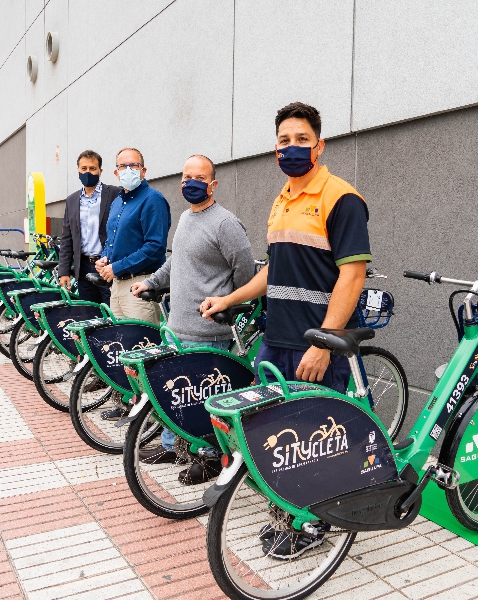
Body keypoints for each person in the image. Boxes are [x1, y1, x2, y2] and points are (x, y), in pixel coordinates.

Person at [201, 102, 370, 557]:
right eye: (283, 140)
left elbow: (352, 275)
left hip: (316, 344)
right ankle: (289, 512)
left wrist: (325, 343)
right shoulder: (282, 200)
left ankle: (316, 525)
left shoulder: (341, 198)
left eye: (301, 140)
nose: (291, 147)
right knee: (279, 438)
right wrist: (230, 299)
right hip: (276, 341)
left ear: (319, 145)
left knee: (317, 440)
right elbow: (273, 270)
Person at [131, 154, 255, 484]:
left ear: (213, 184)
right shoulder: (186, 217)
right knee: (176, 396)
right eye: (187, 177)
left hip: (208, 331)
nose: (191, 183)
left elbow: (245, 270)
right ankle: (173, 447)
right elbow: (176, 262)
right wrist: (152, 282)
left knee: (205, 400)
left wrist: (230, 303)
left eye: (199, 178)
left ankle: (212, 457)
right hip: (177, 326)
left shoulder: (225, 223)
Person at [95, 148, 171, 323]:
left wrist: (117, 267)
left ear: (143, 171)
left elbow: (155, 246)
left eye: (134, 165)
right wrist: (104, 258)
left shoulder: (153, 199)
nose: (128, 170)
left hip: (142, 284)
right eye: (123, 166)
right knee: (121, 338)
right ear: (116, 172)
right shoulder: (117, 202)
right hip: (117, 285)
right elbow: (111, 239)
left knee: (143, 339)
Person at [57, 151, 121, 305]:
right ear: (78, 170)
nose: (88, 172)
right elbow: (67, 238)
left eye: (92, 168)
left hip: (107, 265)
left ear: (100, 171)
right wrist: (64, 271)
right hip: (83, 267)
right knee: (89, 312)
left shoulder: (115, 193)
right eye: (83, 168)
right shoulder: (72, 200)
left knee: (112, 311)